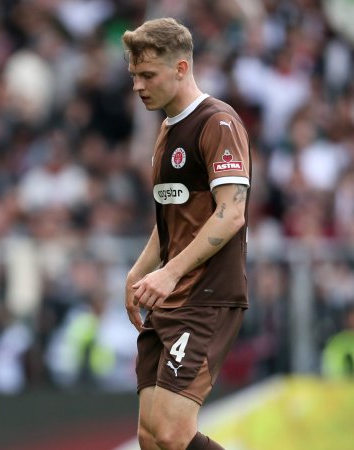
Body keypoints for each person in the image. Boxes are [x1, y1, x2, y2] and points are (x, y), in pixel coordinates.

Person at [121, 18, 251, 450]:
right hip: (169, 294)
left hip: (206, 295)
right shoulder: (165, 130)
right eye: (134, 75)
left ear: (181, 68)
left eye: (148, 75)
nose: (138, 86)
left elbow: (231, 214)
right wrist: (139, 271)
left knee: (175, 435)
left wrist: (170, 273)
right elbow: (171, 218)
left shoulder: (218, 123)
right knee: (151, 438)